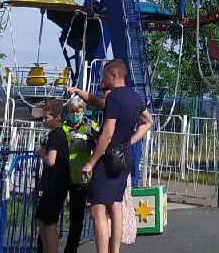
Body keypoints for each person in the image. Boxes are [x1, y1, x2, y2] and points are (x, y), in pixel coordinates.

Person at [80, 61, 152, 253]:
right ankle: (115, 250)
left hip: (109, 157)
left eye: (104, 76)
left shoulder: (114, 98)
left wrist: (91, 162)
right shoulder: (135, 97)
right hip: (125, 154)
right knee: (116, 204)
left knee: (97, 208)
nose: (102, 80)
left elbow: (108, 132)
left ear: (113, 75)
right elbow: (148, 121)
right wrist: (130, 141)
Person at [61, 95, 99, 253]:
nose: (75, 114)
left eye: (78, 111)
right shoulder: (62, 126)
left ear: (83, 110)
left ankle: (71, 249)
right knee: (53, 213)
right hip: (62, 174)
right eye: (72, 111)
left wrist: (88, 140)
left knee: (77, 217)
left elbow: (99, 145)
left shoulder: (91, 126)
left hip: (81, 178)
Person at [34, 99, 70, 253]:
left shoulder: (56, 135)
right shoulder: (57, 134)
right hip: (54, 183)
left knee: (49, 222)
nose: (44, 120)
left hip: (55, 184)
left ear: (57, 117)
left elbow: (51, 161)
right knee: (43, 219)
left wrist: (41, 152)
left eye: (47, 117)